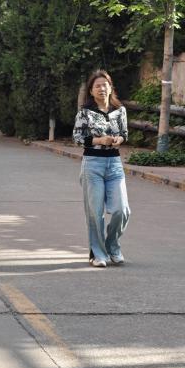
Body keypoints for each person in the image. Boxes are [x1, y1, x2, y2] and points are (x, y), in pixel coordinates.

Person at [72, 70, 131, 267]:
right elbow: (77, 138)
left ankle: (112, 246)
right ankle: (98, 254)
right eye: (97, 86)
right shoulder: (85, 112)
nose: (101, 88)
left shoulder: (120, 110)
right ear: (91, 90)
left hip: (114, 164)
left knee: (122, 210)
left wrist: (119, 139)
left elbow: (124, 133)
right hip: (93, 164)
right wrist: (99, 140)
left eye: (105, 85)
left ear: (110, 87)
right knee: (95, 213)